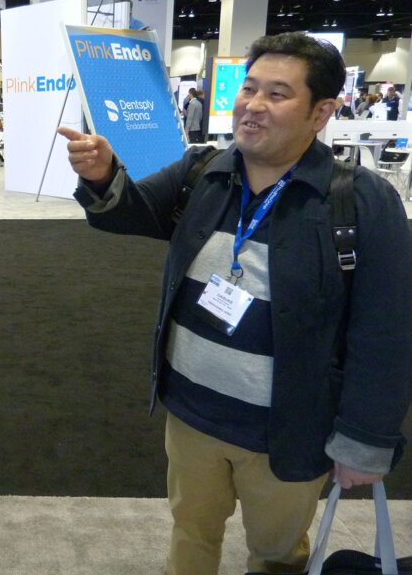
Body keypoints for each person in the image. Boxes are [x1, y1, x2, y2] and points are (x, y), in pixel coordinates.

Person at [59, 31, 412, 575]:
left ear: (321, 112)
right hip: (192, 416)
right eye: (249, 89)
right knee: (191, 534)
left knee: (275, 556)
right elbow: (133, 212)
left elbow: (387, 329)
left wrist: (365, 438)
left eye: (277, 93)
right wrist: (104, 175)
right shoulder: (206, 172)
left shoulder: (359, 200)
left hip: (288, 428)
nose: (252, 105)